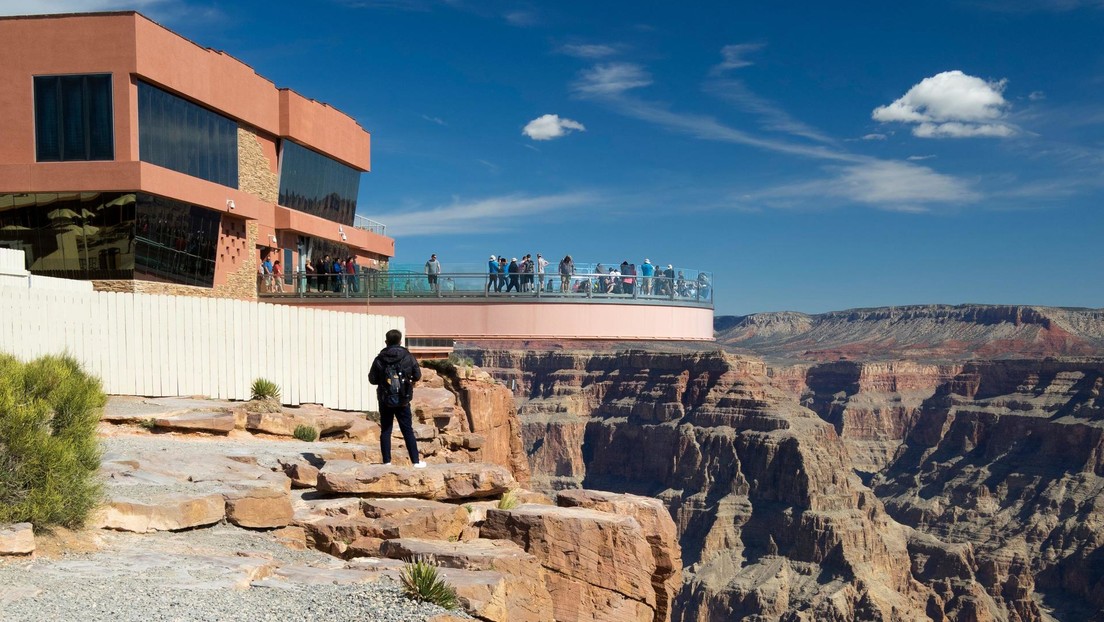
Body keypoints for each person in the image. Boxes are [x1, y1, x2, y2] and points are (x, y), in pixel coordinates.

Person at [368, 329, 426, 468]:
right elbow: (417, 375)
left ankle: (387, 461)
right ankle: (416, 462)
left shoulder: (379, 359)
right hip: (403, 399)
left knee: (386, 430)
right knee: (407, 430)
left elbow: (372, 379)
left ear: (386, 342)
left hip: (385, 400)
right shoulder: (408, 357)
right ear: (400, 341)